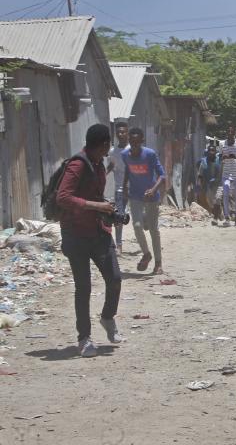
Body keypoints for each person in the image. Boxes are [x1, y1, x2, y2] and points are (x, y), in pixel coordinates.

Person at [57, 124, 123, 357]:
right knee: (83, 288)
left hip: (98, 231)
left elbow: (93, 196)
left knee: (114, 278)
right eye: (108, 144)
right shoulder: (78, 164)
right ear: (104, 144)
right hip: (75, 235)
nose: (109, 148)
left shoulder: (98, 165)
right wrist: (96, 206)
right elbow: (63, 197)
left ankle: (107, 317)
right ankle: (84, 339)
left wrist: (107, 209)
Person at [122, 127, 165, 274]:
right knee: (137, 225)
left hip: (152, 197)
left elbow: (162, 175)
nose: (134, 145)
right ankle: (146, 254)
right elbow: (128, 170)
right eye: (131, 142)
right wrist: (124, 187)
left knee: (153, 230)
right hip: (135, 195)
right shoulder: (124, 155)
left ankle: (158, 263)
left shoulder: (150, 154)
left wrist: (153, 190)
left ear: (142, 141)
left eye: (137, 142)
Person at [106, 121, 129, 256]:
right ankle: (119, 245)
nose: (121, 134)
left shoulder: (133, 149)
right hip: (120, 188)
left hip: (135, 189)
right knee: (118, 216)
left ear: (127, 132)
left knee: (142, 219)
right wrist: (103, 175)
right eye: (119, 132)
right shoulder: (113, 151)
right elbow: (111, 166)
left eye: (123, 131)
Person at [220, 125, 236, 227]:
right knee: (225, 195)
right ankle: (227, 218)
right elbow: (220, 157)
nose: (230, 133)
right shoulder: (222, 143)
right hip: (226, 174)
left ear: (235, 133)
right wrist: (224, 157)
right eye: (228, 132)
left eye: (232, 132)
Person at [198, 145, 223, 224]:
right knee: (211, 202)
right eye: (210, 150)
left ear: (215, 152)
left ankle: (215, 219)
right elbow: (200, 174)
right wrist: (200, 184)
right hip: (209, 186)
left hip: (219, 184)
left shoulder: (219, 160)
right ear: (207, 152)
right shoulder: (204, 162)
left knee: (217, 199)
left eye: (213, 150)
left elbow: (221, 172)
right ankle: (219, 213)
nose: (211, 152)